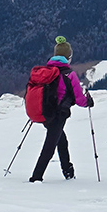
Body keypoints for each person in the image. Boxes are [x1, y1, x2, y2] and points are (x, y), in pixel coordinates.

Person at [29, 35, 94, 182]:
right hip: (58, 115)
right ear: (68, 57)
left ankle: (68, 171)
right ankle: (36, 177)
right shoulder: (69, 74)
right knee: (50, 146)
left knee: (61, 140)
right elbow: (79, 100)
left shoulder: (47, 72)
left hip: (45, 113)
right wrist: (89, 102)